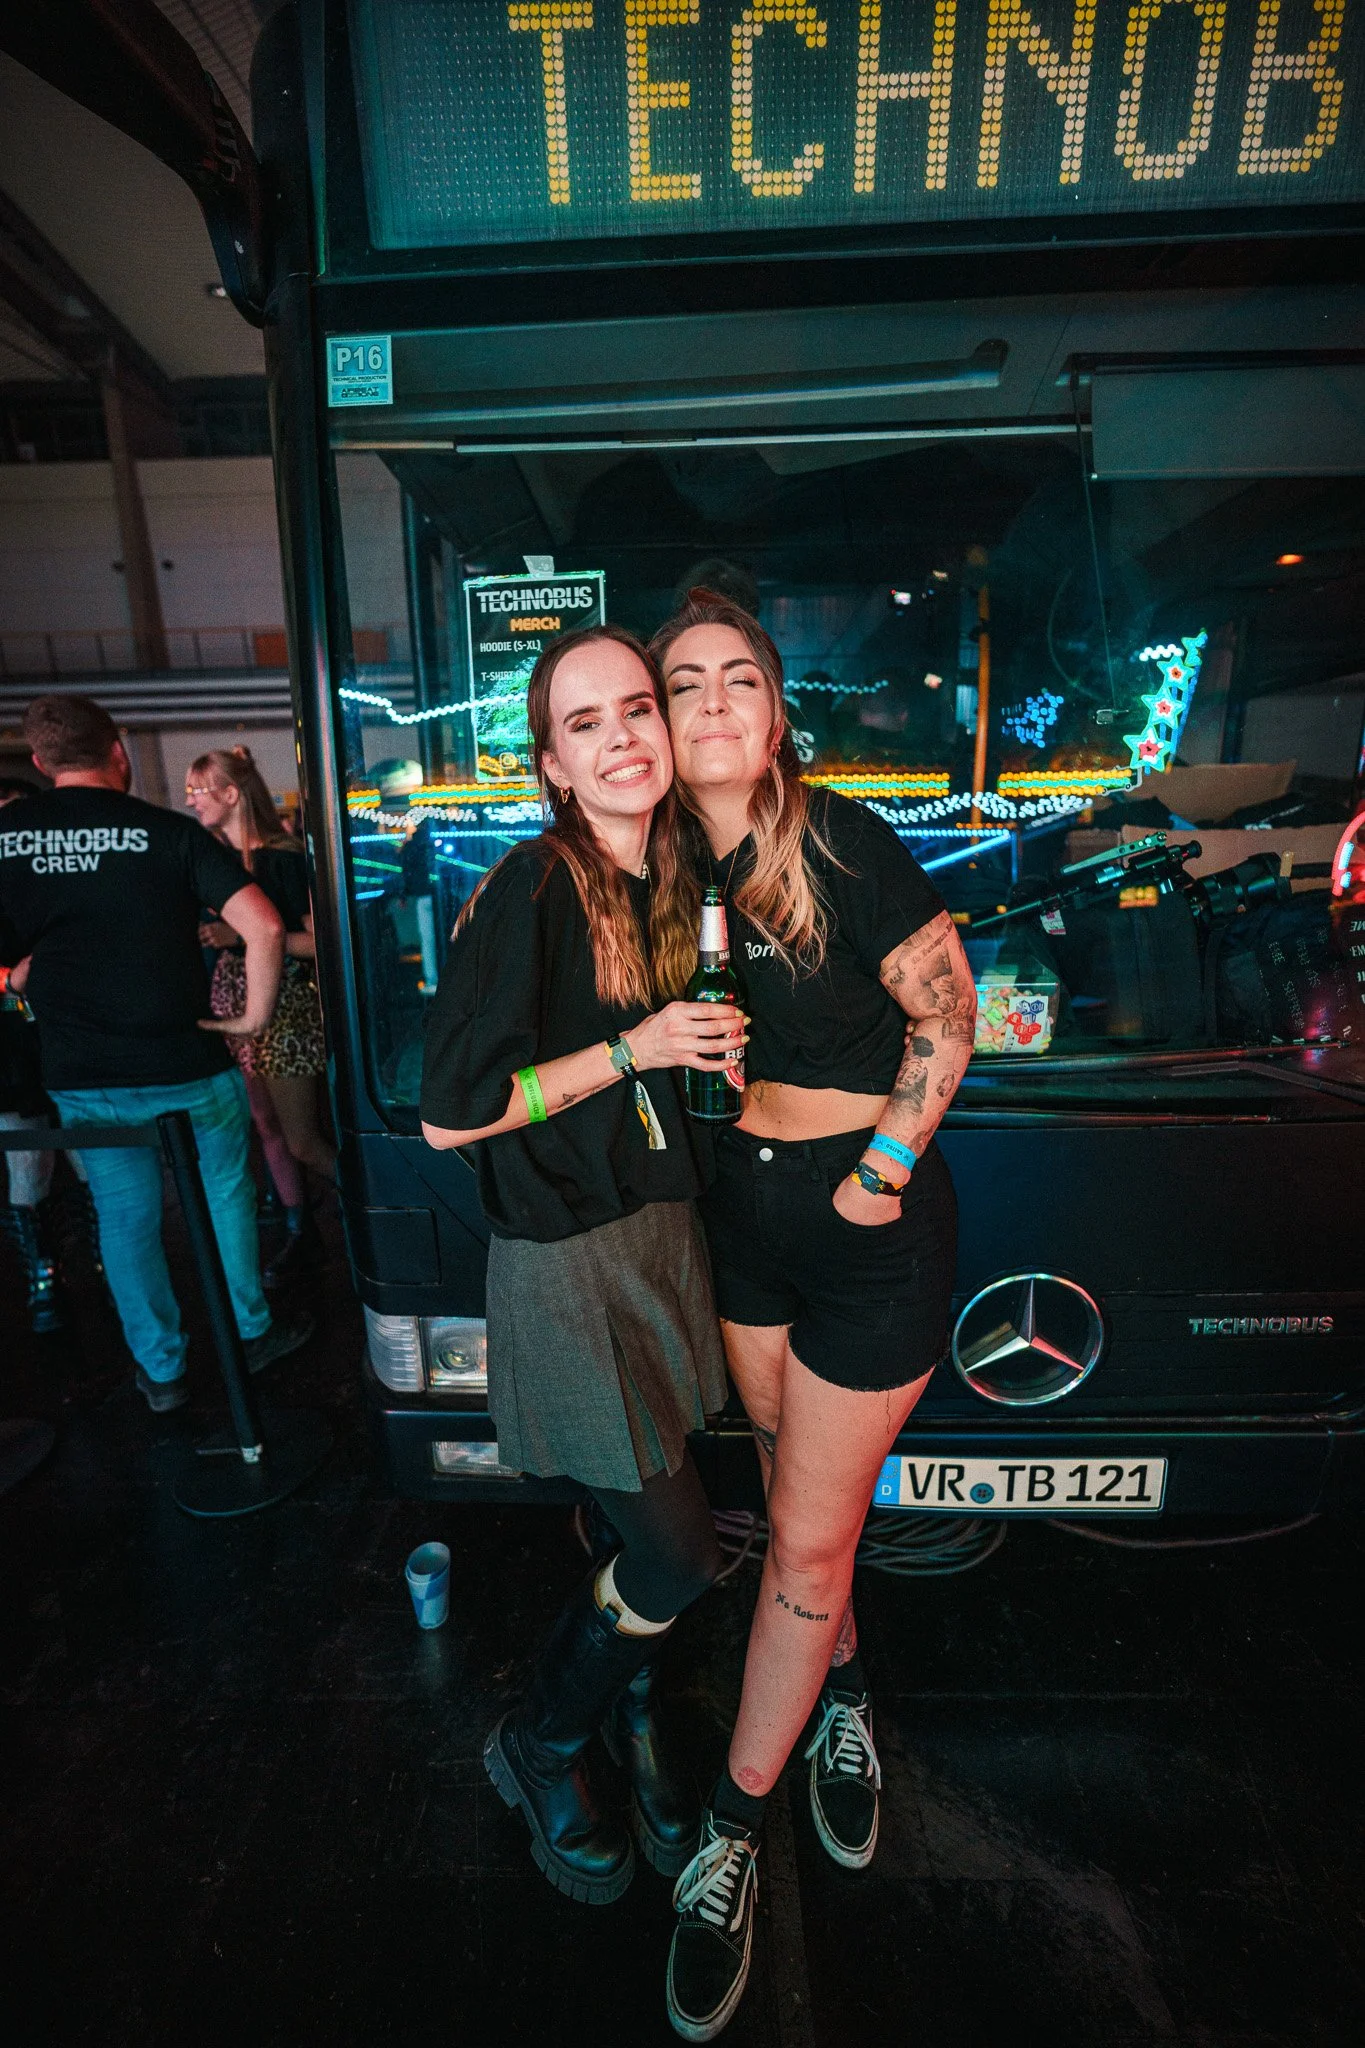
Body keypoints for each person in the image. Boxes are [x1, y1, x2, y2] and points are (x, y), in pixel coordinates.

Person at [652, 590, 976, 2042]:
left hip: (862, 1228)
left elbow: (950, 1014)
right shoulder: (662, 865)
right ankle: (839, 1690)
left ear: (775, 710)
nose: (716, 702)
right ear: (660, 720)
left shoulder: (838, 836)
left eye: (741, 678)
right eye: (687, 683)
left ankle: (729, 1832)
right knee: (798, 1504)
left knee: (797, 1540)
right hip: (744, 1211)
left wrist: (878, 1176)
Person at [420, 623, 745, 1906]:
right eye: (585, 722)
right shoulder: (535, 887)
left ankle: (637, 1712)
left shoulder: (670, 875)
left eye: (636, 708)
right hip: (570, 1263)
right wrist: (635, 1049)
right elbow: (451, 1115)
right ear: (551, 762)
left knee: (630, 1525)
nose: (621, 738)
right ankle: (545, 1738)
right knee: (678, 1553)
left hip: (660, 1239)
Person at [0, 696, 313, 1411]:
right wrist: (250, 1018)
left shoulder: (7, 837)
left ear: (42, 763)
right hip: (186, 1059)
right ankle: (250, 1333)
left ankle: (162, 1371)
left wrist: (17, 978)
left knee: (125, 1215)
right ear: (119, 751)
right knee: (225, 1195)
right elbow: (263, 927)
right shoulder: (167, 832)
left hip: (83, 1072)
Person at [186, 746, 335, 1282]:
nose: (190, 800)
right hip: (237, 1005)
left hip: (287, 1010)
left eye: (198, 790)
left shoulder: (282, 857)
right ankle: (301, 1230)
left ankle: (381, 1201)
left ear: (231, 794)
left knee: (302, 1140)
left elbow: (320, 942)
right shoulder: (217, 860)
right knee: (267, 1128)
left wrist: (241, 935)